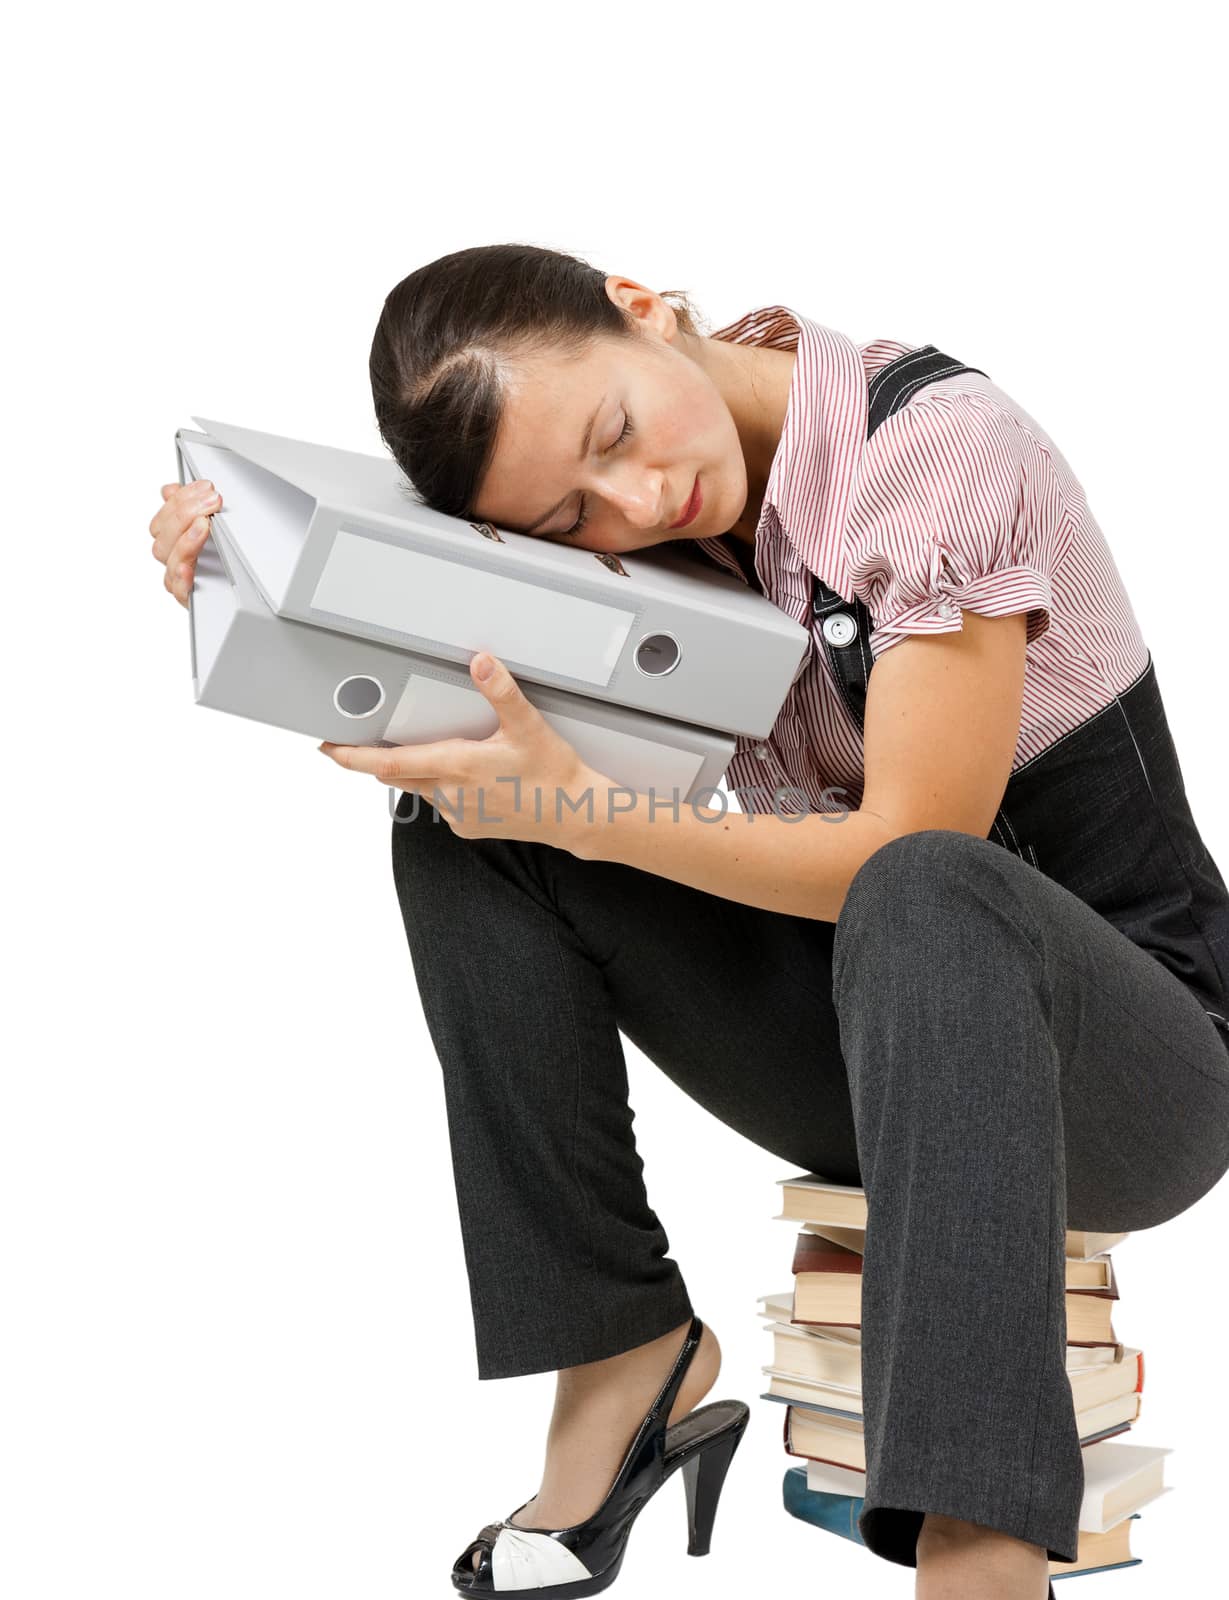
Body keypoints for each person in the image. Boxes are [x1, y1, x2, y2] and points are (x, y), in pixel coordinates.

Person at [148, 243, 1229, 1600]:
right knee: (475, 829)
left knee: (916, 880)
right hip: (876, 1050)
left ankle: (978, 1551)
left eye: (613, 433)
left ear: (644, 307)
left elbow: (916, 840)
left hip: (1133, 1070)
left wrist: (589, 810)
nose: (638, 498)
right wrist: (244, 577)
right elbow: (467, 707)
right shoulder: (669, 531)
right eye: (571, 518)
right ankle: (622, 1356)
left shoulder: (939, 453)